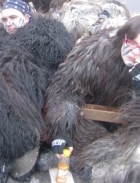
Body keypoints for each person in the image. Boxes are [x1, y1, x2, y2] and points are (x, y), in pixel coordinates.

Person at [0, 0, 74, 182]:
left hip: (35, 89)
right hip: (0, 87)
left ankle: (25, 151)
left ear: (26, 17)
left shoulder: (47, 36)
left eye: (13, 17)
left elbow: (59, 71)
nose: (8, 23)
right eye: (4, 19)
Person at [42, 15, 140, 182]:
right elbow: (63, 89)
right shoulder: (96, 53)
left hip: (130, 130)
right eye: (132, 44)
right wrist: (62, 129)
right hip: (93, 123)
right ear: (122, 38)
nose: (136, 52)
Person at [50, 0, 131, 43]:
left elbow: (112, 7)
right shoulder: (73, 14)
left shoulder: (98, 0)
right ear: (70, 1)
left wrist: (104, 15)